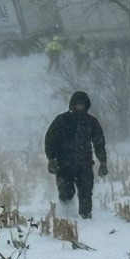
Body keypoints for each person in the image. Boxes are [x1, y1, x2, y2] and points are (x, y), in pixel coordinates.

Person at [44, 90, 108, 219]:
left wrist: (103, 162)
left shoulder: (91, 122)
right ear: (72, 104)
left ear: (86, 105)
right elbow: (50, 139)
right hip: (64, 165)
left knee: (86, 193)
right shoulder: (62, 120)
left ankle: (86, 218)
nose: (79, 106)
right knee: (65, 193)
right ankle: (66, 217)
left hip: (85, 165)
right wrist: (51, 159)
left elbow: (99, 142)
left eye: (82, 104)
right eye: (77, 104)